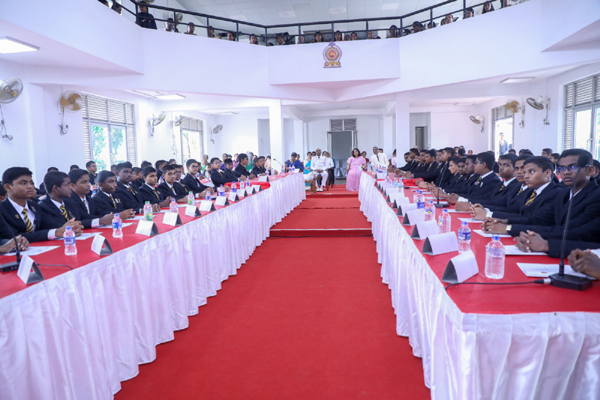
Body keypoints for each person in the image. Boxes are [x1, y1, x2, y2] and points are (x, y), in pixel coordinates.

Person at [1, 167, 82, 242]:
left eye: (31, 183)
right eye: (23, 183)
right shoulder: (2, 209)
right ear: (8, 187)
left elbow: (50, 224)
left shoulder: (34, 206)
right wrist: (55, 232)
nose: (30, 187)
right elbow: (14, 236)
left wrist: (71, 227)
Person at [39, 171, 112, 230]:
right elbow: (58, 226)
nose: (71, 188)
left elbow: (84, 218)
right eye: (67, 185)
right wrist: (100, 221)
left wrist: (101, 220)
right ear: (55, 188)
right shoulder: (43, 206)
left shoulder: (70, 203)